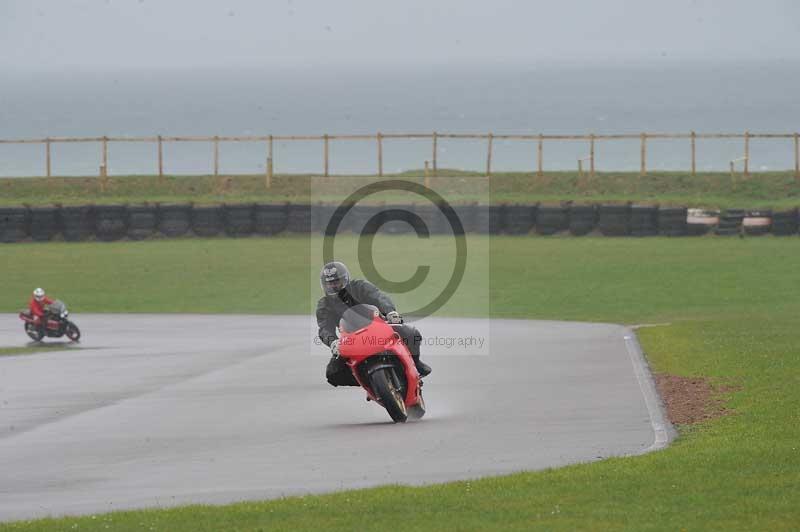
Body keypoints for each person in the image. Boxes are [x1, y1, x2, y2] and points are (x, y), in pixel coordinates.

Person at [316, 261, 431, 387]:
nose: (334, 286)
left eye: (337, 282)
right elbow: (324, 328)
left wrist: (391, 312)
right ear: (324, 285)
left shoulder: (359, 286)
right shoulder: (324, 304)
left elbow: (378, 297)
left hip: (378, 327)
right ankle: (368, 381)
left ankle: (416, 364)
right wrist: (333, 342)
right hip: (351, 339)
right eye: (330, 284)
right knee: (333, 373)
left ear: (346, 279)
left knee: (411, 334)